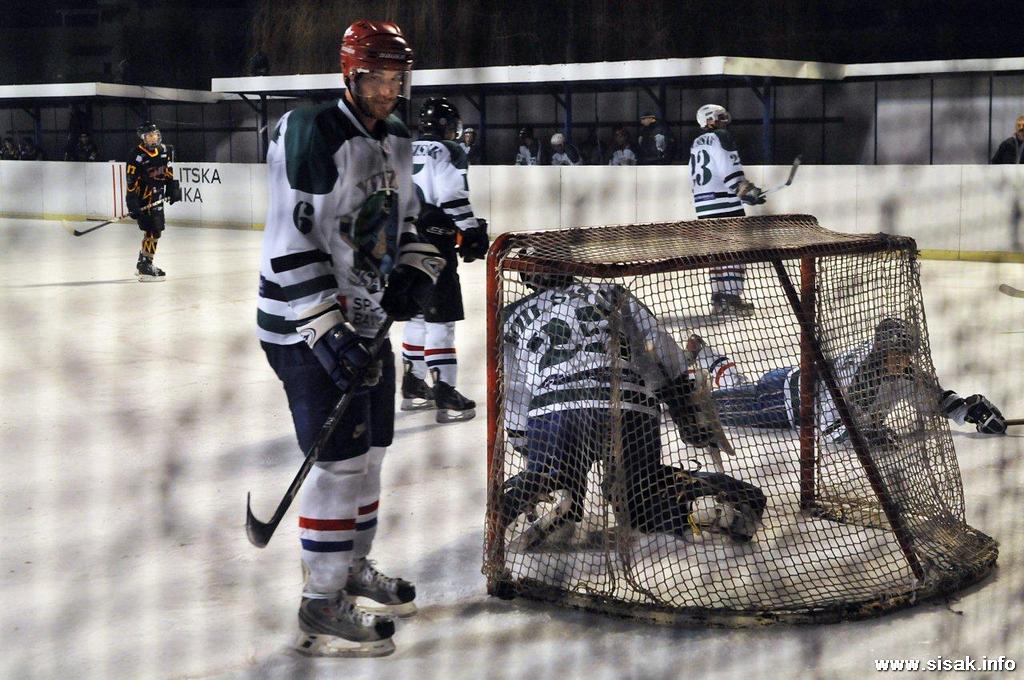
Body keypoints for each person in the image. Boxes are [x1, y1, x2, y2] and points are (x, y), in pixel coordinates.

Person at [256, 20, 446, 658]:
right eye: (377, 77)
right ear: (350, 74)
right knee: (338, 461)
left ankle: (349, 568)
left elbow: (408, 218)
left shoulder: (394, 137)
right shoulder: (312, 131)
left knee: (373, 455)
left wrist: (416, 269)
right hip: (304, 326)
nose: (389, 90)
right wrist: (326, 329)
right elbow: (290, 240)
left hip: (366, 323)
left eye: (397, 77)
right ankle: (320, 602)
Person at [499, 272, 766, 550]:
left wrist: (525, 443)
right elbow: (655, 342)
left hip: (555, 408)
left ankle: (547, 491)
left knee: (552, 474)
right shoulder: (611, 290)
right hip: (629, 403)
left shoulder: (511, 315)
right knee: (639, 496)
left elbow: (512, 387)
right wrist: (680, 398)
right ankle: (698, 505)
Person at [687, 318, 1008, 445]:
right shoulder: (858, 372)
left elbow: (936, 401)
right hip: (780, 401)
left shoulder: (903, 369)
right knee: (703, 408)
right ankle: (673, 389)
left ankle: (707, 356)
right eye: (899, 353)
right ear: (882, 351)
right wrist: (866, 435)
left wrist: (970, 412)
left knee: (738, 391)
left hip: (789, 383)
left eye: (908, 353)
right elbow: (829, 424)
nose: (906, 360)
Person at [401, 97, 489, 422]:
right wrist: (471, 231)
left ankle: (412, 384)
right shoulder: (449, 150)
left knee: (417, 316)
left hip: (403, 243)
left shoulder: (405, 147)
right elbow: (452, 196)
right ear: (445, 126)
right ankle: (445, 393)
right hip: (434, 245)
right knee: (440, 320)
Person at [690, 104, 765, 316]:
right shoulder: (721, 136)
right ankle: (732, 297)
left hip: (703, 204)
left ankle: (718, 298)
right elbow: (728, 168)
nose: (724, 121)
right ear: (709, 120)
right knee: (735, 251)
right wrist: (744, 189)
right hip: (725, 202)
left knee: (716, 252)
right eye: (720, 117)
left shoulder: (696, 142)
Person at [126, 122, 181, 282]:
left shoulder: (165, 150)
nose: (154, 137)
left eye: (155, 134)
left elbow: (168, 171)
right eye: (150, 135)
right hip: (145, 199)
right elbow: (131, 182)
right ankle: (145, 265)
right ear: (143, 138)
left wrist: (172, 188)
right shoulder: (136, 155)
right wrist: (132, 202)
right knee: (153, 231)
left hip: (158, 198)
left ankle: (142, 262)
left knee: (154, 231)